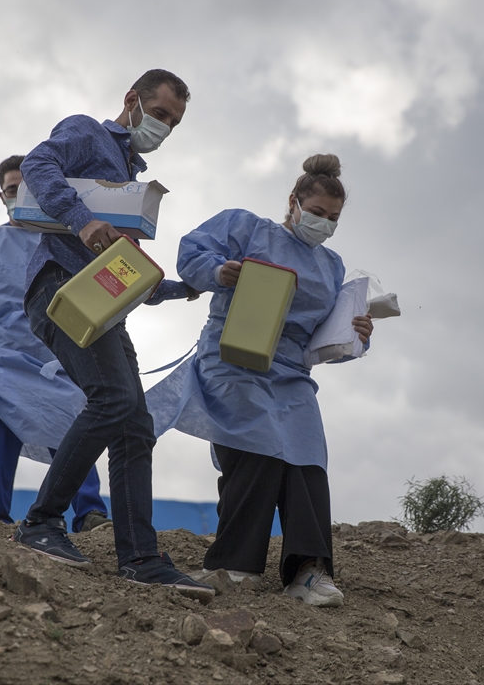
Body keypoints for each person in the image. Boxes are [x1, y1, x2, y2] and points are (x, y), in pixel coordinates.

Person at [14, 69, 214, 601]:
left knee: (134, 424)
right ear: (132, 100)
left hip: (103, 302)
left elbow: (122, 268)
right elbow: (36, 164)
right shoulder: (88, 133)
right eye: (161, 113)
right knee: (114, 401)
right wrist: (81, 221)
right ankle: (42, 521)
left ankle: (140, 558)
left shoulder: (130, 173)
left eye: (174, 121)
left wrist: (182, 289)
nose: (165, 127)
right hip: (61, 287)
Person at [145, 153, 374, 607]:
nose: (324, 223)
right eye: (317, 213)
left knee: (307, 457)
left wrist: (357, 335)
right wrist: (218, 271)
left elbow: (325, 337)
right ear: (293, 202)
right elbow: (192, 251)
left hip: (291, 372)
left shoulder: (332, 266)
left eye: (333, 218)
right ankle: (235, 566)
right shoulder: (245, 228)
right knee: (258, 445)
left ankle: (309, 571)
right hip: (233, 357)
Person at [0, 155, 111, 529]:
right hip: (1, 359)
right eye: (12, 190)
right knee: (1, 434)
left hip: (59, 359)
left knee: (73, 426)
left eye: (28, 189)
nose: (20, 196)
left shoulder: (66, 242)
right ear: (2, 196)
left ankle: (90, 513)